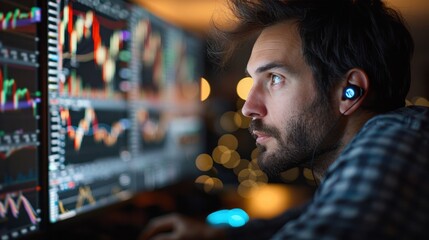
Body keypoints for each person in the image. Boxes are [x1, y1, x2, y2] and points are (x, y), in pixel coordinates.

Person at [139, 0, 429, 239]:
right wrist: (215, 236)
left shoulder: (396, 141)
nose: (248, 108)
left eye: (275, 78)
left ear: (349, 91)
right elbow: (312, 214)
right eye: (252, 80)